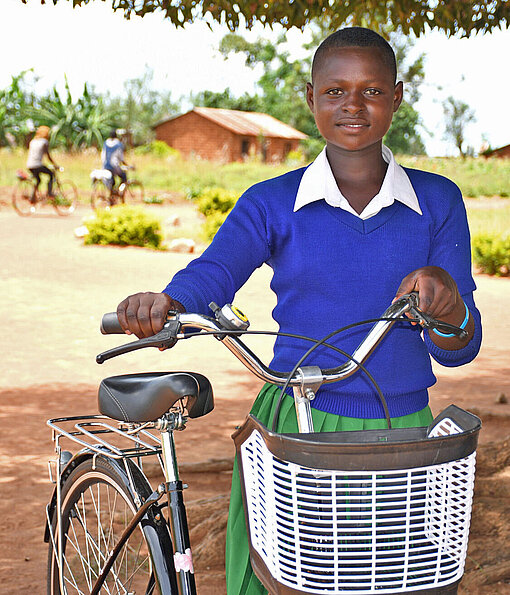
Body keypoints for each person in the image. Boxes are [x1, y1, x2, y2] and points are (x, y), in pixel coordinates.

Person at [116, 27, 482, 594]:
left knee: (403, 581)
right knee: (286, 581)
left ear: (398, 97)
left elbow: (461, 347)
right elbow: (215, 274)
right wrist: (166, 303)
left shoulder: (437, 201)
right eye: (335, 91)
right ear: (310, 98)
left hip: (403, 435)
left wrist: (448, 304)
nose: (353, 106)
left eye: (372, 91)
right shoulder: (272, 202)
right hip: (297, 427)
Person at [26, 125, 58, 199]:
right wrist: (55, 164)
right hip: (37, 165)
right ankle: (49, 193)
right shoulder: (44, 142)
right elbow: (48, 156)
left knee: (38, 180)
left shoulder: (33, 141)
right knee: (51, 174)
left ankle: (32, 196)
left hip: (29, 165)